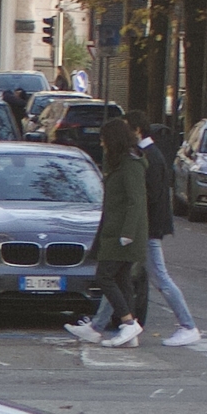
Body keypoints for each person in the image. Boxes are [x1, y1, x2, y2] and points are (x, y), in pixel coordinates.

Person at [75, 112, 200, 347]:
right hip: (143, 229)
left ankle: (187, 325)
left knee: (154, 277)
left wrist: (133, 231)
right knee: (120, 276)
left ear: (137, 131)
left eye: (126, 128)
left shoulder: (145, 157)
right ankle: (103, 326)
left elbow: (146, 199)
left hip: (145, 231)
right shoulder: (141, 156)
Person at [71, 117, 149, 348]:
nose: (102, 144)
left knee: (104, 276)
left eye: (104, 140)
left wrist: (128, 233)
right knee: (122, 278)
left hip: (123, 234)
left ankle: (127, 322)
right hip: (114, 231)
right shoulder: (118, 163)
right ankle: (128, 332)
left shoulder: (130, 164)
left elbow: (136, 201)